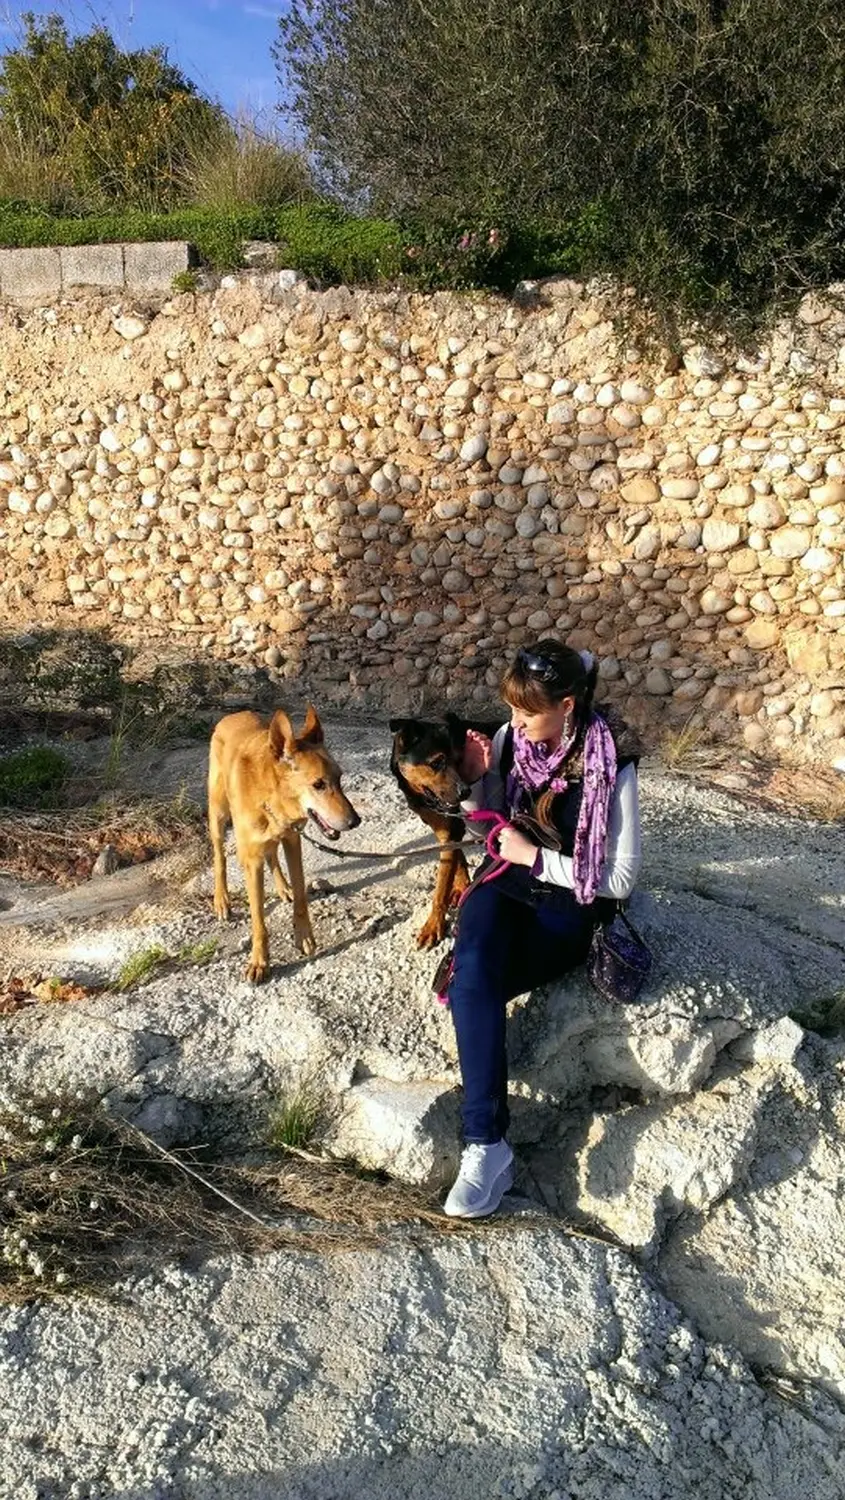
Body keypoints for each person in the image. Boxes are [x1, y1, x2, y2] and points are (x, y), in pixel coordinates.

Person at [441, 639, 642, 1219]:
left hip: (566, 903)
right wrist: (479, 782)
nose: (515, 723)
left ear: (569, 706)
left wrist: (538, 857)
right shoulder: (511, 742)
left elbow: (621, 879)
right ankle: (487, 1144)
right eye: (512, 710)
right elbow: (493, 833)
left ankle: (487, 1145)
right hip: (505, 879)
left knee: (471, 986)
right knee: (473, 974)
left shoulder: (615, 761)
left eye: (529, 712)